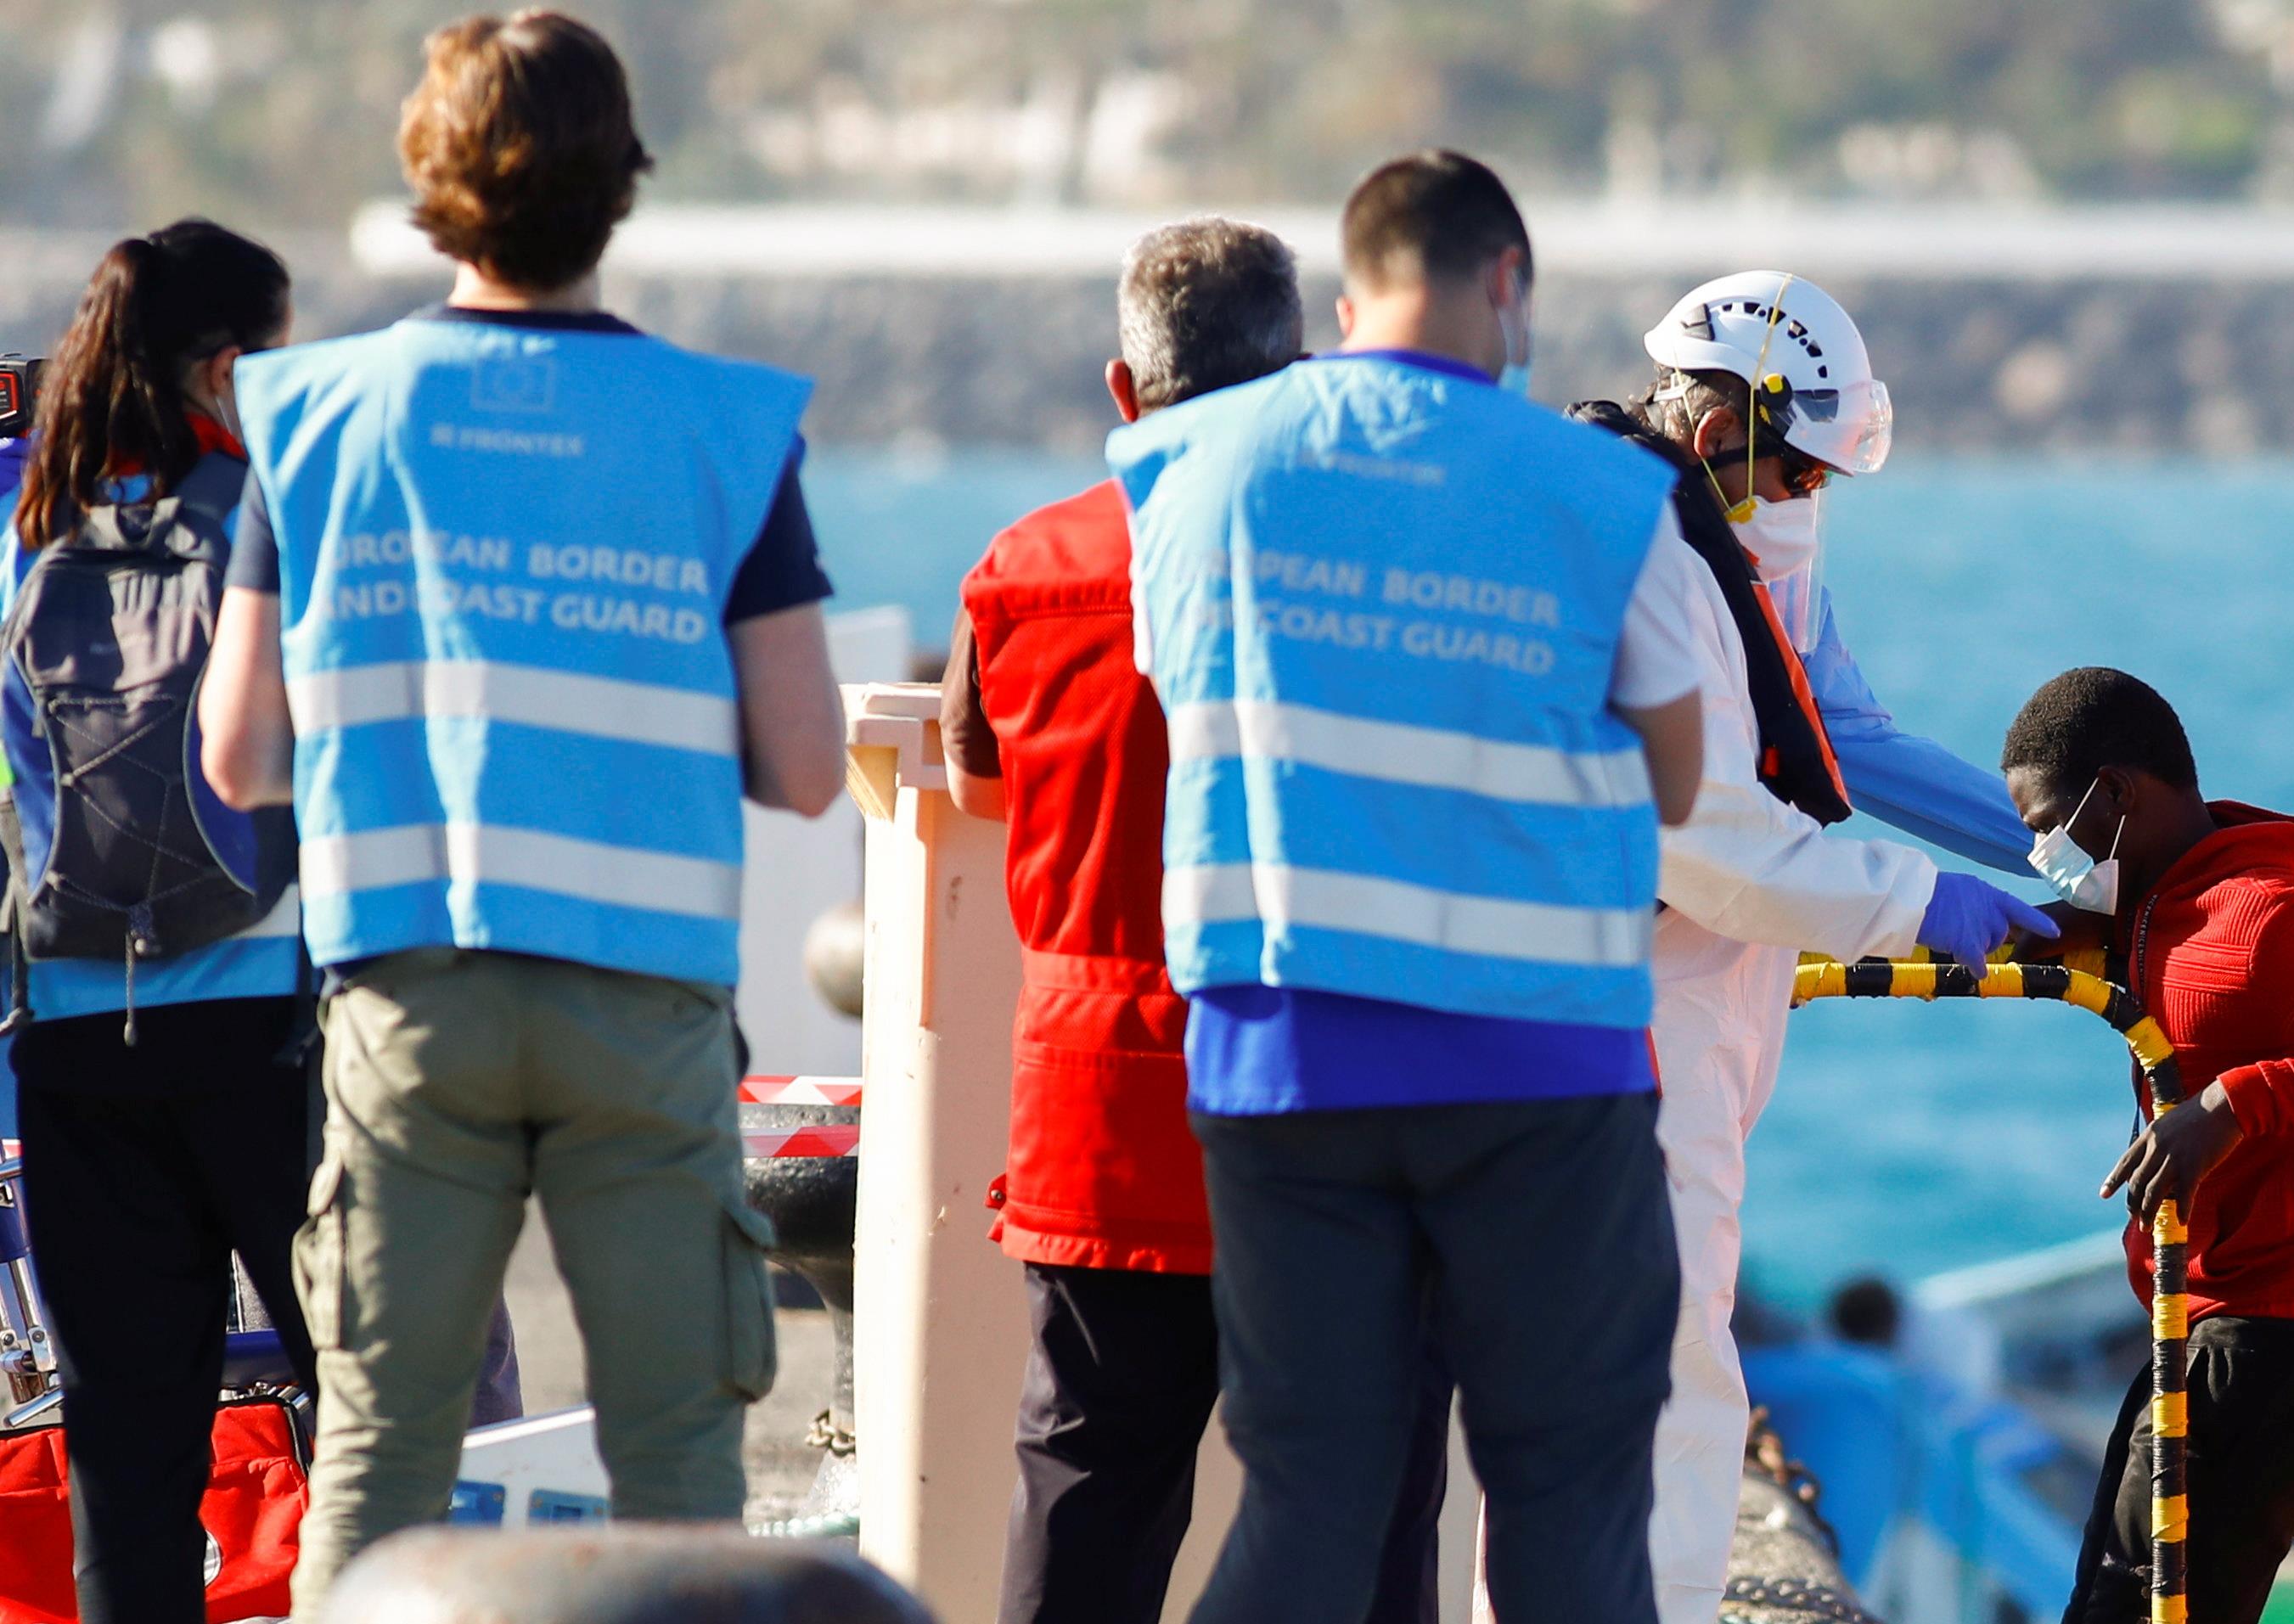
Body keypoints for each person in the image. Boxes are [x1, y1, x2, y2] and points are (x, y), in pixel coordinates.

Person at [194, 11, 845, 1610]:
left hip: (412, 1001)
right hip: (642, 1004)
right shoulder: (724, 426)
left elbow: (236, 754)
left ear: (433, 185)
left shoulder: (315, 414)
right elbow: (810, 764)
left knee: (381, 1455)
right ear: (619, 187)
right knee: (680, 1469)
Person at [1112, 149, 1703, 1624]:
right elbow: (1682, 781)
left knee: (1308, 1492)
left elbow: (1172, 684)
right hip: (1538, 1068)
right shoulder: (1601, 490)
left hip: (1283, 1054)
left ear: (1348, 286)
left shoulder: (1199, 469)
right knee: (1567, 1490)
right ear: (1505, 279)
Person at [944, 216, 1448, 1624]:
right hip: (1328, 1085)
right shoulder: (1387, 561)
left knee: (1089, 1488)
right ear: (1301, 376)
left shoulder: (1024, 564)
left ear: (1126, 389)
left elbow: (983, 775)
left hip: (1099, 1101)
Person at [1558, 273, 2054, 1624]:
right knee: (1668, 1387)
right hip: (1631, 1013)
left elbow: (1848, 731)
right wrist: (1925, 906)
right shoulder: (1643, 553)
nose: (1805, 499)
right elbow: (1710, 839)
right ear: (1725, 417)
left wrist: (2052, 856)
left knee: (1645, 1372)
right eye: (1795, 469)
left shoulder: (1725, 538)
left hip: (1683, 1008)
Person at [1994, 666, 2294, 1624]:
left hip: (2277, 1335)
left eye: (2052, 824)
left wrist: (2235, 1101)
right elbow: (2075, 936)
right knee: (2108, 1605)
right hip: (2206, 1327)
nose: (2045, 852)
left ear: (2120, 792)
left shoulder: (2262, 913)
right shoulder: (2144, 907)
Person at [0, 219, 318, 1624]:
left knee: (126, 1462)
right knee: (369, 1410)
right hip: (271, 1034)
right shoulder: (274, 519)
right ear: (230, 364)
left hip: (74, 1044)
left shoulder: (26, 528)